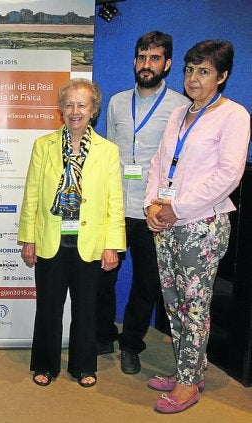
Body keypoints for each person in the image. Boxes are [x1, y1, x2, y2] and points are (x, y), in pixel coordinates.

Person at [145, 40, 250, 413]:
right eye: (189, 70)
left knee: (195, 307)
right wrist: (152, 205)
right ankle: (189, 368)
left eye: (203, 71)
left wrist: (177, 207)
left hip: (201, 226)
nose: (193, 78)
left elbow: (228, 176)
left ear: (222, 76)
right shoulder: (178, 113)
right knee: (173, 303)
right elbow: (160, 162)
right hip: (168, 222)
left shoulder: (234, 115)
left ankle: (188, 384)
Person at [18, 78, 126, 388]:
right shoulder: (44, 146)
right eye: (69, 104)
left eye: (82, 105)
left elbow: (114, 203)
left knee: (86, 310)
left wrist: (112, 246)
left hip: (90, 242)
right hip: (51, 239)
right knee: (48, 309)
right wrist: (28, 238)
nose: (75, 111)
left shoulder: (108, 151)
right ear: (60, 109)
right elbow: (32, 196)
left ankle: (83, 366)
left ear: (93, 110)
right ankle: (45, 364)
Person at [96, 31, 190, 375]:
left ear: (167, 64)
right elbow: (107, 154)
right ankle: (104, 335)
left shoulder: (180, 106)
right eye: (141, 57)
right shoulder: (118, 102)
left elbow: (180, 162)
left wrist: (168, 204)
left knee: (147, 282)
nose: (146, 64)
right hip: (116, 206)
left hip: (153, 209)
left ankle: (132, 344)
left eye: (153, 58)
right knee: (103, 276)